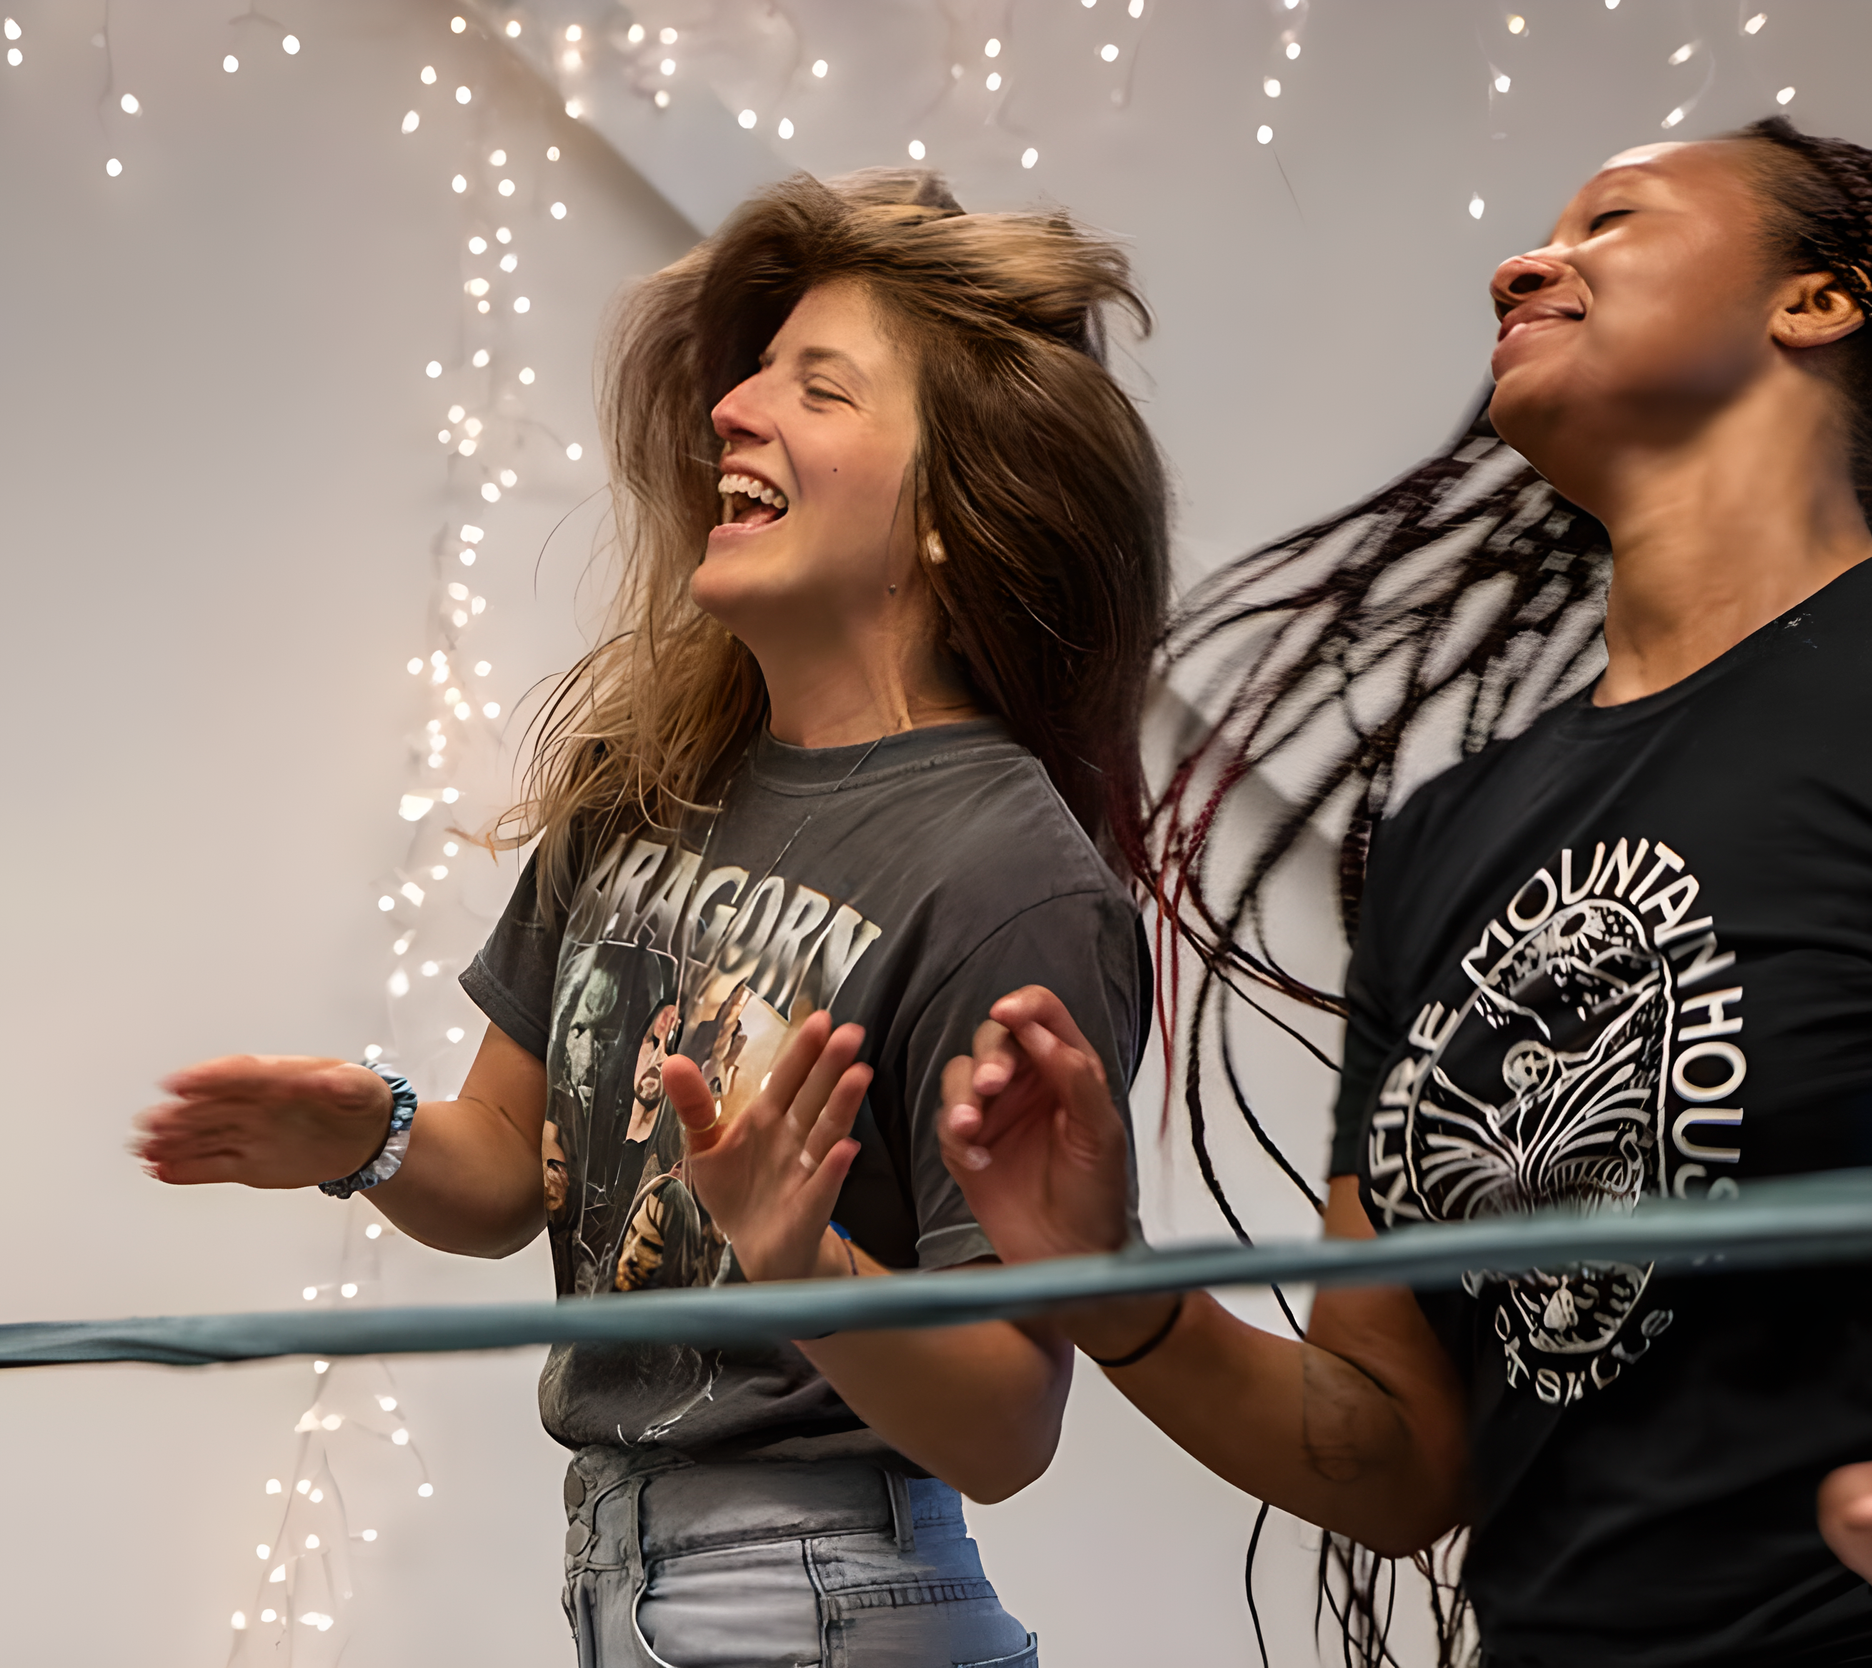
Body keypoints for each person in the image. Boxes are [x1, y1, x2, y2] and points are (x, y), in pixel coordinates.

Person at [933, 117, 1872, 1665]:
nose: (1524, 263)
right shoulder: (1447, 836)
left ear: (1818, 303)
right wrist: (1112, 1287)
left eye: (1614, 221)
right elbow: (1395, 1458)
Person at [131, 168, 1166, 1667]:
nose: (735, 412)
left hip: (826, 1593)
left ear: (946, 512)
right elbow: (504, 1174)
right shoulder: (643, 783)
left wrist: (803, 1262)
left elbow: (1008, 1421)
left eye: (818, 387)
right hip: (622, 1580)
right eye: (749, 376)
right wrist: (370, 1133)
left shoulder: (1011, 878)